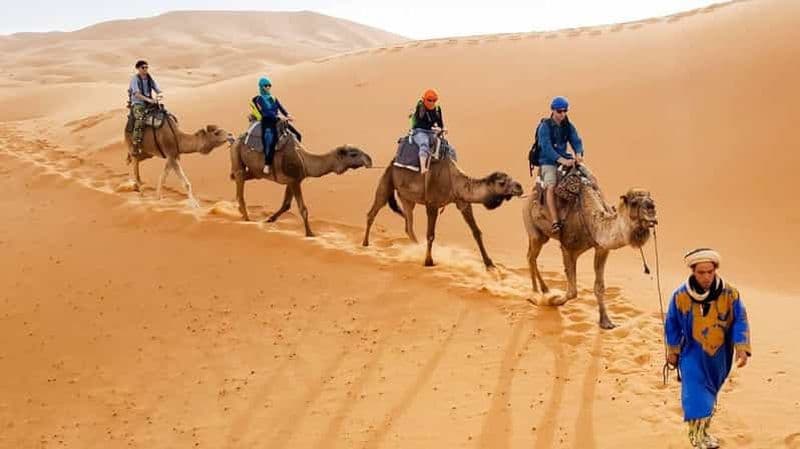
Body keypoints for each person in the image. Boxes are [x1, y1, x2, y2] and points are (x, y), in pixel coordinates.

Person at [665, 248, 752, 449]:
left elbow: (740, 320)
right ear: (693, 272)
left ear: (715, 270)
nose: (706, 277)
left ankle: (704, 433)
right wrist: (673, 350)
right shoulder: (680, 296)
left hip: (719, 357)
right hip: (692, 354)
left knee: (710, 395)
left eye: (710, 272)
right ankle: (696, 438)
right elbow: (672, 324)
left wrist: (741, 347)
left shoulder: (730, 294)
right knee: (695, 394)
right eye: (701, 272)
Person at [535, 96, 585, 234]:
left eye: (565, 111)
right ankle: (555, 221)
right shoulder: (544, 127)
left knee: (589, 178)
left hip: (566, 158)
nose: (562, 114)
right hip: (548, 161)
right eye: (559, 111)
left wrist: (579, 153)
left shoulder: (567, 125)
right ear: (552, 110)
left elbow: (576, 140)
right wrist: (561, 160)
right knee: (551, 186)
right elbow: (546, 147)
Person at [251, 77, 294, 175]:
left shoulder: (273, 98)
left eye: (269, 85)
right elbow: (266, 112)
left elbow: (280, 107)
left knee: (297, 135)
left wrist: (288, 115)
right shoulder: (259, 99)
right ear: (261, 87)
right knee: (270, 140)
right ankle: (267, 164)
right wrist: (278, 116)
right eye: (266, 85)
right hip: (268, 122)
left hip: (279, 120)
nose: (268, 87)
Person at [128, 60, 163, 155]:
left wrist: (159, 94)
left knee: (165, 114)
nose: (145, 69)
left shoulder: (149, 78)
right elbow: (136, 94)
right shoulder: (135, 79)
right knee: (140, 119)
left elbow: (157, 89)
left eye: (146, 67)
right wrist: (149, 100)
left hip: (149, 103)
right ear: (138, 68)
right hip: (138, 104)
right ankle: (135, 144)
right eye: (143, 67)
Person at [409, 89, 444, 174]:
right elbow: (420, 122)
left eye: (434, 100)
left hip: (431, 132)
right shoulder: (421, 107)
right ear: (424, 99)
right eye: (429, 100)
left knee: (447, 148)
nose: (431, 102)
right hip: (420, 131)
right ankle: (423, 167)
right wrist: (434, 128)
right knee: (424, 144)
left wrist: (441, 129)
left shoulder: (437, 109)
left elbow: (440, 123)